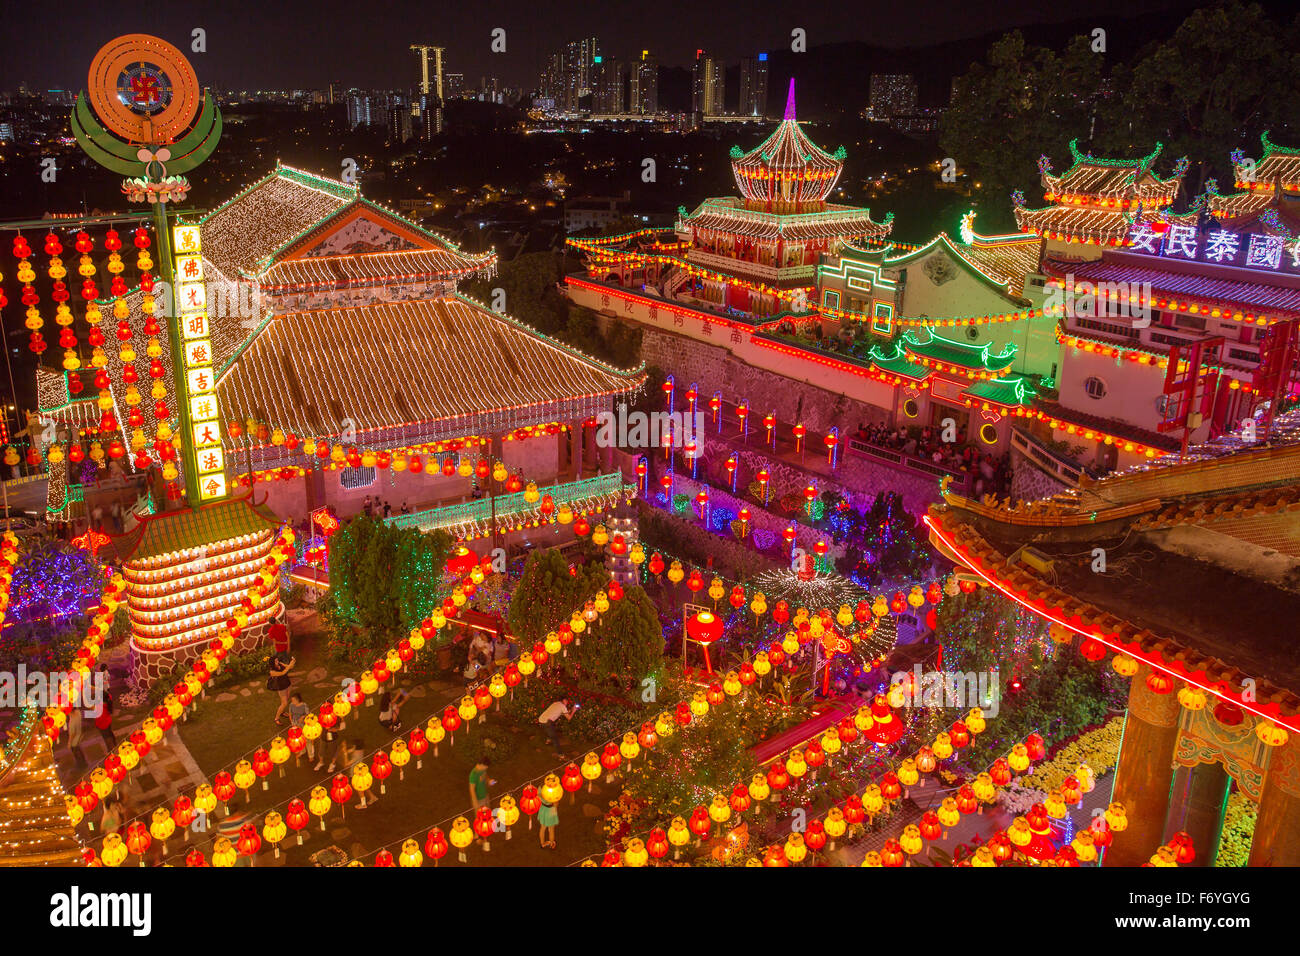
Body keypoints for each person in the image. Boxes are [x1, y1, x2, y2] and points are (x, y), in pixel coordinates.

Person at [268, 648, 295, 724]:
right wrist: (289, 666)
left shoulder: (280, 663)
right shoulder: (272, 672)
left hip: (287, 684)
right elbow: (283, 673)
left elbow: (289, 667)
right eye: (276, 661)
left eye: (277, 660)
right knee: (284, 703)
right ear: (272, 663)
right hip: (281, 687)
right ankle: (276, 718)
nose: (277, 661)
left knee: (286, 700)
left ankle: (282, 712)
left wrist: (292, 662)